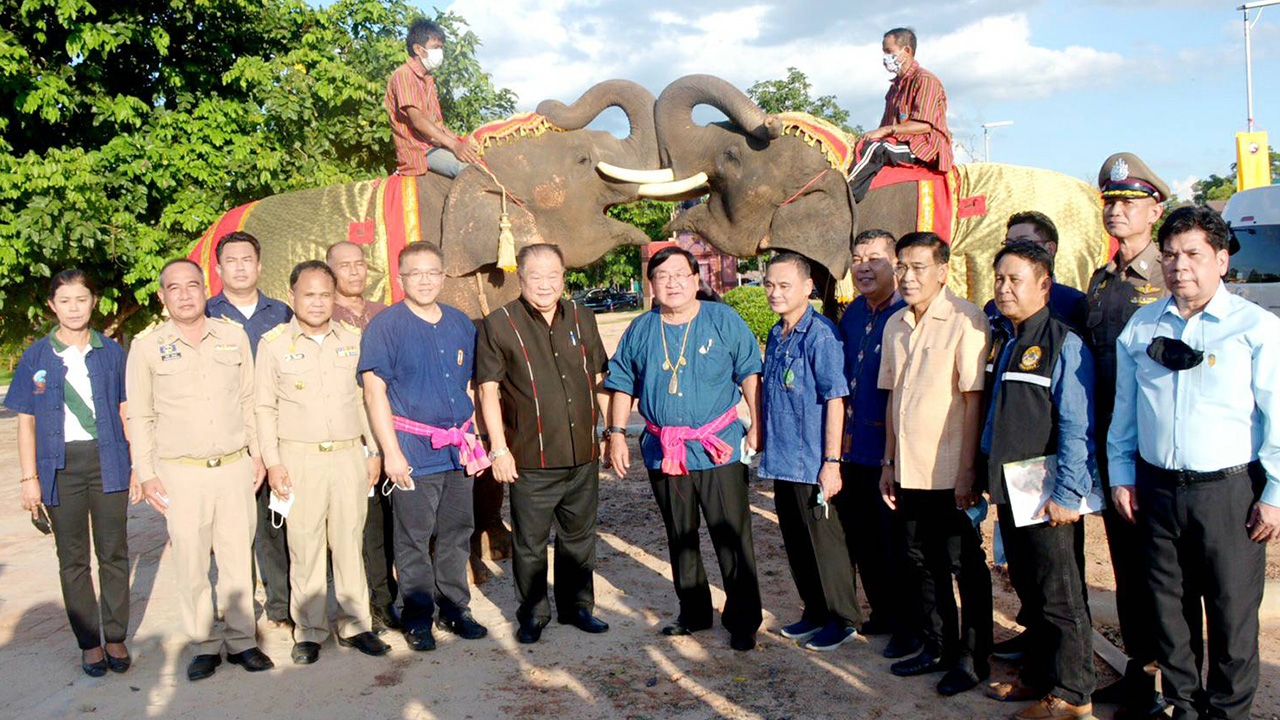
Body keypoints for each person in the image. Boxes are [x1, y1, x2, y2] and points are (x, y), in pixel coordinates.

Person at [1109, 206, 1280, 720]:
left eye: (1193, 254)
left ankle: (1227, 714)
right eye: (1169, 255)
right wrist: (1122, 475)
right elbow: (1125, 411)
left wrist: (1274, 494)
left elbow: (1277, 415)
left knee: (1231, 617)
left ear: (1221, 260)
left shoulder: (1256, 328)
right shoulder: (1141, 326)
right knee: (1170, 615)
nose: (1179, 266)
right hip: (1156, 490)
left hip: (1228, 494)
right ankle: (1184, 709)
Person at [605, 246, 764, 651]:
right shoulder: (642, 328)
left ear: (696, 280)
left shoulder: (722, 319)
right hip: (664, 449)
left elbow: (750, 372)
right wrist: (616, 434)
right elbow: (621, 382)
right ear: (651, 285)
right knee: (680, 533)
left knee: (731, 534)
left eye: (680, 274)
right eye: (662, 276)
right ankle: (693, 611)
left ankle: (743, 619)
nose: (672, 283)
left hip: (718, 447)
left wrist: (757, 425)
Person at [129, 258, 274, 681]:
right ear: (162, 296)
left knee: (236, 559)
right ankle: (204, 644)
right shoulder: (147, 346)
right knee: (191, 562)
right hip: (181, 473)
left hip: (233, 467)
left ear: (204, 289)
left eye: (192, 285)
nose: (184, 295)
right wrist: (146, 471)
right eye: (174, 288)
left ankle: (243, 640)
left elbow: (249, 400)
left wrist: (258, 454)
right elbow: (140, 414)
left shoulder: (232, 336)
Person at [980, 242, 1097, 720]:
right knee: (1031, 590)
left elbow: (1077, 425)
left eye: (1016, 280)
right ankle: (1040, 674)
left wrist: (1068, 493)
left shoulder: (1064, 343)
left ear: (1045, 285)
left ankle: (1073, 695)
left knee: (1060, 595)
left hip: (1048, 494)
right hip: (1014, 489)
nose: (1004, 288)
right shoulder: (1008, 340)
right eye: (999, 279)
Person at [255, 261, 391, 664]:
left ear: (334, 298)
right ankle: (310, 631)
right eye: (308, 294)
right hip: (299, 457)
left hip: (349, 455)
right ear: (292, 296)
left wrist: (373, 450)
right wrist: (273, 462)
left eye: (325, 295)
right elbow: (264, 408)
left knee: (350, 543)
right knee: (305, 546)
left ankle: (356, 625)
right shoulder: (273, 345)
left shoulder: (352, 338)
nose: (317, 302)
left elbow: (364, 400)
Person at [476, 244, 611, 644]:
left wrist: (608, 433)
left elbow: (599, 378)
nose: (545, 284)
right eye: (536, 276)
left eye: (553, 276)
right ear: (521, 279)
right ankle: (533, 614)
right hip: (530, 458)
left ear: (564, 277)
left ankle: (578, 607)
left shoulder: (583, 317)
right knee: (530, 543)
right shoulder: (499, 324)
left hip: (582, 454)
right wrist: (498, 449)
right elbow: (487, 390)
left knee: (578, 538)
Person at [6, 270, 138, 677]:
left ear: (93, 302)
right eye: (65, 301)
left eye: (81, 299)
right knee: (73, 558)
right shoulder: (37, 357)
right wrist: (29, 479)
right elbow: (26, 421)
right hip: (60, 466)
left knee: (113, 553)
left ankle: (115, 636)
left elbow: (126, 411)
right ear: (52, 306)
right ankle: (89, 643)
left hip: (109, 460)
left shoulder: (112, 353)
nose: (74, 308)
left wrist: (138, 466)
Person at [878, 231, 992, 697]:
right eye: (901, 267)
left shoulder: (966, 319)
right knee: (921, 559)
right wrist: (889, 462)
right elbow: (894, 399)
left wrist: (967, 471)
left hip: (949, 471)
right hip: (908, 469)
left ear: (942, 271)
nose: (907, 276)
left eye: (918, 267)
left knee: (963, 563)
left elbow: (973, 399)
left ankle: (973, 657)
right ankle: (938, 645)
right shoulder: (895, 323)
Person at [359, 242, 489, 652]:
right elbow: (374, 392)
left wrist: (478, 438)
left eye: (432, 272)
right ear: (401, 279)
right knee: (413, 538)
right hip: (412, 451)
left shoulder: (460, 323)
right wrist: (391, 453)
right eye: (415, 273)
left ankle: (454, 608)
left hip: (458, 450)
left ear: (443, 276)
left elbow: (472, 386)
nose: (425, 280)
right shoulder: (385, 326)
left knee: (457, 532)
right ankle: (417, 616)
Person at [1083, 152, 1172, 718]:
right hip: (1112, 445)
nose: (1117, 210)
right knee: (1127, 566)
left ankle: (1173, 683)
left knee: (1164, 570)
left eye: (1129, 202)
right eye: (1110, 201)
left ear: (1154, 210)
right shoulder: (1102, 277)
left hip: (1157, 446)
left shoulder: (1168, 274)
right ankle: (1141, 674)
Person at [757, 253, 858, 652]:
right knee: (797, 542)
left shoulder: (821, 335)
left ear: (808, 287)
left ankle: (843, 618)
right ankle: (815, 610)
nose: (775, 293)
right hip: (783, 459)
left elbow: (836, 399)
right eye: (769, 285)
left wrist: (831, 463)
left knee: (825, 544)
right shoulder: (777, 333)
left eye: (784, 285)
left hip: (813, 461)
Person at [206, 230, 295, 631]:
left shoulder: (282, 313)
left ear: (259, 266)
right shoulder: (205, 314)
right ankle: (237, 606)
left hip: (276, 430)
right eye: (232, 261)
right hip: (227, 434)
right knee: (230, 529)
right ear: (218, 268)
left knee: (275, 520)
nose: (240, 268)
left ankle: (281, 605)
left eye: (247, 260)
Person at [836, 229, 916, 658]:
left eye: (874, 259)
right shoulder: (852, 313)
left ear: (895, 265)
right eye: (857, 258)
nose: (863, 267)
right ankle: (883, 611)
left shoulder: (907, 315)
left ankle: (909, 625)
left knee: (895, 543)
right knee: (862, 538)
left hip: (891, 452)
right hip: (852, 447)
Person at [326, 240, 397, 633]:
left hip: (391, 431)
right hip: (348, 435)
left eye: (359, 264)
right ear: (330, 271)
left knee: (390, 522)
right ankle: (368, 603)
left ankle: (389, 596)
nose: (354, 272)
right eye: (344, 265)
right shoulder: (322, 315)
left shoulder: (385, 314)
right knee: (359, 527)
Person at [848, 27, 954, 203]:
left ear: (907, 51)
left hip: (924, 147)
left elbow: (924, 125)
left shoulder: (925, 80)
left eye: (889, 51)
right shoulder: (894, 88)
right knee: (863, 144)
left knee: (876, 149)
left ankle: (846, 196)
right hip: (899, 142)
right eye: (884, 52)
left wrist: (885, 131)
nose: (885, 58)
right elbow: (884, 128)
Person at [384, 18, 481, 178]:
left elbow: (437, 125)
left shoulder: (427, 79)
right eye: (436, 47)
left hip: (434, 145)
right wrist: (454, 145)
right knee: (473, 171)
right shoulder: (404, 75)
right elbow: (419, 121)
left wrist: (462, 141)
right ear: (418, 49)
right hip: (420, 151)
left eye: (441, 48)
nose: (440, 52)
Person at [981, 212, 1088, 333]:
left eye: (1023, 242)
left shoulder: (1072, 302)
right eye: (1008, 244)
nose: (1013, 250)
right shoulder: (993, 308)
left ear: (1050, 248)